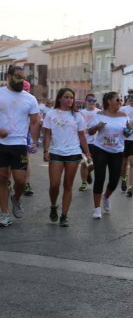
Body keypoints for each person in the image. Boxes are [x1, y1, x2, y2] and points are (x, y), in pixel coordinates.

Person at [42, 88, 92, 227]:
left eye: (71, 97)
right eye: (66, 97)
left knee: (68, 185)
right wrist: (46, 150)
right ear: (59, 98)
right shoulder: (51, 114)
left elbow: (82, 136)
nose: (70, 100)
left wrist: (87, 153)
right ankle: (53, 206)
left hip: (73, 153)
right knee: (54, 185)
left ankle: (64, 215)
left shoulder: (77, 115)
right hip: (56, 152)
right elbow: (47, 134)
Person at [0, 65, 40, 226]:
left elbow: (35, 121)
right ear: (9, 76)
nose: (21, 81)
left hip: (19, 143)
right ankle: (4, 213)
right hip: (1, 143)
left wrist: (35, 142)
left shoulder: (30, 99)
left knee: (21, 181)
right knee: (2, 178)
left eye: (23, 78)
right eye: (17, 77)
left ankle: (15, 198)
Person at [87, 92, 133, 219]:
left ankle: (106, 197)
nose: (120, 102)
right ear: (109, 101)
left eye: (120, 99)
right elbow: (90, 132)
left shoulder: (124, 116)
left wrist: (129, 130)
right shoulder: (99, 115)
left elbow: (128, 133)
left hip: (117, 151)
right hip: (101, 149)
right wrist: (97, 126)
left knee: (114, 180)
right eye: (117, 99)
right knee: (100, 178)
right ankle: (96, 209)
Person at [78, 93, 100, 191]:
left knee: (93, 164)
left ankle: (88, 172)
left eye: (94, 101)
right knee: (84, 163)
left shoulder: (100, 112)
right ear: (86, 101)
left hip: (97, 142)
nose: (92, 102)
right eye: (90, 100)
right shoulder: (80, 113)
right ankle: (83, 183)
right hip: (84, 141)